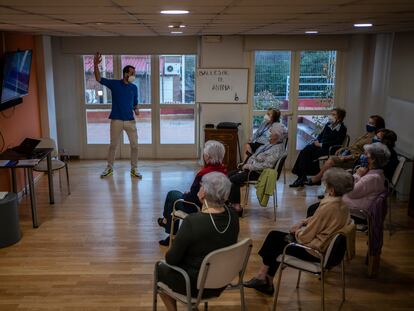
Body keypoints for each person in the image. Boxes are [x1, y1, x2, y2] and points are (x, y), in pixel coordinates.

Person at [244, 167, 354, 295]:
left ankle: (263, 278)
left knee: (275, 240)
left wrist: (296, 231)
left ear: (332, 189)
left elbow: (305, 237)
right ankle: (264, 279)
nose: (324, 187)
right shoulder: (343, 205)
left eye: (326, 184)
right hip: (326, 249)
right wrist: (303, 222)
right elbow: (321, 221)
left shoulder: (328, 207)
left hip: (315, 251)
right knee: (276, 239)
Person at [155, 172, 239, 311]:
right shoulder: (233, 215)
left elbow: (170, 259)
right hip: (223, 279)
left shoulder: (192, 222)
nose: (198, 189)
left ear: (203, 193)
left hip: (196, 285)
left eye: (200, 186)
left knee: (159, 269)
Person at [157, 140, 227, 246]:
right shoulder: (224, 171)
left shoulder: (203, 174)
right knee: (174, 196)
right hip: (217, 207)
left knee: (172, 195)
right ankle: (166, 221)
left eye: (204, 153)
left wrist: (186, 194)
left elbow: (192, 199)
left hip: (197, 208)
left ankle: (170, 232)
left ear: (208, 156)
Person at [93, 52, 141, 178]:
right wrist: (95, 65)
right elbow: (98, 79)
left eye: (134, 74)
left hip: (130, 121)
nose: (133, 76)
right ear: (125, 74)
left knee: (135, 145)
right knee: (113, 145)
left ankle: (134, 169)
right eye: (132, 73)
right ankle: (109, 168)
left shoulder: (134, 88)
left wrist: (136, 109)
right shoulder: (114, 84)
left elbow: (135, 103)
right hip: (116, 120)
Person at [306, 115, 386, 185]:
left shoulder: (373, 140)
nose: (368, 124)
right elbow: (354, 146)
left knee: (331, 160)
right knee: (325, 158)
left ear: (378, 126)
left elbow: (363, 155)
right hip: (347, 154)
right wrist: (343, 149)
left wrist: (347, 157)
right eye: (368, 122)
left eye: (371, 123)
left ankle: (317, 179)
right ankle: (326, 185)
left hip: (354, 160)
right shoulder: (366, 135)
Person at [228, 126, 285, 215]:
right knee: (229, 175)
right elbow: (256, 154)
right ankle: (231, 203)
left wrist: (250, 166)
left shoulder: (276, 149)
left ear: (276, 136)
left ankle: (237, 208)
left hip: (259, 173)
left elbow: (267, 165)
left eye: (271, 132)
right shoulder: (271, 144)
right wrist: (245, 163)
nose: (269, 133)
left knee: (233, 179)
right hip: (253, 169)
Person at [290, 108, 347, 187]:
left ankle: (302, 177)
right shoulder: (328, 124)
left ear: (340, 118)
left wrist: (322, 144)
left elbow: (337, 142)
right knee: (304, 151)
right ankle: (302, 176)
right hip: (320, 146)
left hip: (329, 149)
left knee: (307, 152)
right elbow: (321, 135)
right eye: (331, 114)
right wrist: (317, 141)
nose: (331, 116)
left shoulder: (342, 128)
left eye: (334, 115)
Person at [343, 142, 390, 220]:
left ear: (373, 159)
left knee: (326, 205)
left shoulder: (372, 178)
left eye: (366, 154)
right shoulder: (377, 173)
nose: (362, 156)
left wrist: (357, 175)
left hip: (357, 212)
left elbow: (351, 192)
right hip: (355, 204)